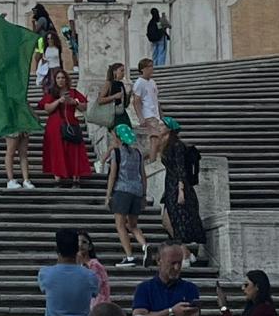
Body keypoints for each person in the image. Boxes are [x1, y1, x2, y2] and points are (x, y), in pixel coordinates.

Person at [157, 117, 206, 264]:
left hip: (177, 187)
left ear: (170, 129)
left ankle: (185, 254)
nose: (159, 127)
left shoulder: (177, 146)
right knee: (167, 221)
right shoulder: (167, 144)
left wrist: (181, 190)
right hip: (170, 187)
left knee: (175, 221)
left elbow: (180, 169)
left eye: (162, 125)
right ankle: (186, 251)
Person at [37, 228, 99, 316]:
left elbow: (44, 288)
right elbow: (95, 293)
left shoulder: (45, 273)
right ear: (76, 249)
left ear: (57, 249)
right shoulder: (90, 276)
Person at [104, 124, 150, 267]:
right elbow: (143, 175)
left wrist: (108, 194)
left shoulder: (116, 152)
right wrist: (144, 195)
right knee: (133, 225)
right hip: (136, 190)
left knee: (120, 225)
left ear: (117, 136)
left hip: (122, 190)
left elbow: (113, 175)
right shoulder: (138, 153)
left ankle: (129, 257)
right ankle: (144, 245)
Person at [38, 69, 91, 185]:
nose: (61, 80)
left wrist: (74, 102)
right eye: (58, 78)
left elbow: (84, 107)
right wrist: (59, 101)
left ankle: (76, 177)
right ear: (55, 80)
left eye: (63, 78)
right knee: (57, 150)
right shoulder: (52, 93)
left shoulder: (73, 92)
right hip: (55, 126)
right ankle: (58, 176)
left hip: (71, 123)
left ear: (66, 79)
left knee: (74, 150)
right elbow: (47, 108)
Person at [132, 58, 166, 157]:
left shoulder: (152, 82)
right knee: (155, 139)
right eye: (149, 67)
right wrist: (141, 118)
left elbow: (156, 99)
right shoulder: (139, 83)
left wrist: (161, 114)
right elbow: (136, 101)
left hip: (156, 115)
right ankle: (152, 161)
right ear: (143, 69)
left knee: (160, 139)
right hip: (148, 115)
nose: (152, 69)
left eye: (152, 66)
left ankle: (149, 157)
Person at [77, 230, 111, 305]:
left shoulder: (94, 265)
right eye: (77, 242)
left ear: (90, 247)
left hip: (97, 307)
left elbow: (94, 288)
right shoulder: (78, 265)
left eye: (84, 242)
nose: (80, 244)